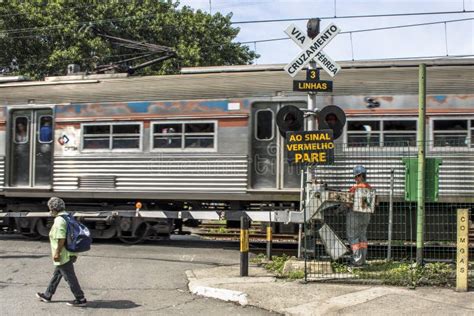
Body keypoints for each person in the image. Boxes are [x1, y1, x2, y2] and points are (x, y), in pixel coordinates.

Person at [36, 197, 87, 307]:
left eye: (50, 209)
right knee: (57, 274)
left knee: (69, 277)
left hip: (63, 254)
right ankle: (47, 295)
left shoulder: (59, 220)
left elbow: (61, 238)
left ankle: (80, 298)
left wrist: (57, 253)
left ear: (53, 209)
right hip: (70, 252)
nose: (50, 211)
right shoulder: (68, 216)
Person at [346, 165, 372, 267]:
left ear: (359, 176)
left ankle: (357, 261)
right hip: (366, 216)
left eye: (355, 177)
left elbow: (348, 204)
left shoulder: (354, 189)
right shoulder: (370, 188)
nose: (355, 179)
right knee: (362, 238)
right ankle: (363, 260)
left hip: (354, 216)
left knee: (353, 238)